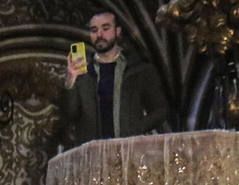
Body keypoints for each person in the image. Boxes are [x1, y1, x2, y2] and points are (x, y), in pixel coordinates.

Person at [61, 11, 172, 145]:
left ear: (117, 31)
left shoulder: (138, 68)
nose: (99, 35)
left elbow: (160, 109)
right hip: (92, 153)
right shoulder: (82, 71)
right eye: (94, 30)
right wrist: (70, 81)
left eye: (105, 28)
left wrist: (137, 127)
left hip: (127, 150)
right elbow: (69, 114)